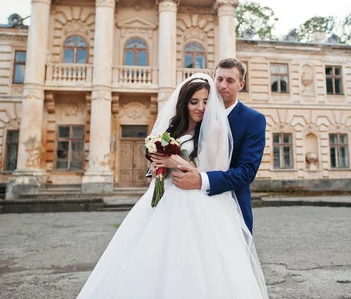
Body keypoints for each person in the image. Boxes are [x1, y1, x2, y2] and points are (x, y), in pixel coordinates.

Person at [77, 72, 268, 299]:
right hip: (167, 197)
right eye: (194, 102)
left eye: (206, 102)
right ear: (185, 103)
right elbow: (158, 163)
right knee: (153, 257)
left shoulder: (215, 129)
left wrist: (175, 161)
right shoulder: (174, 129)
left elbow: (216, 168)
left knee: (198, 262)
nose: (200, 107)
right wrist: (158, 163)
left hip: (199, 200)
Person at [169, 58, 266, 233]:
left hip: (229, 206)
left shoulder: (253, 120)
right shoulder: (198, 111)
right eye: (219, 79)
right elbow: (176, 142)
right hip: (184, 205)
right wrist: (158, 166)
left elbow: (246, 172)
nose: (222, 85)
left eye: (230, 80)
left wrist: (201, 180)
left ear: (241, 84)